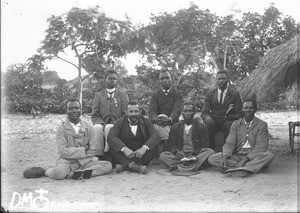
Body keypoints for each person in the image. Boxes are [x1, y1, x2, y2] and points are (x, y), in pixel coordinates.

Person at [23, 99, 112, 180]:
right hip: (67, 162)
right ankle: (47, 171)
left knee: (107, 165)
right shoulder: (61, 129)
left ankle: (75, 174)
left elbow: (93, 150)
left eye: (77, 108)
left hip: (85, 162)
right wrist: (84, 149)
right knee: (58, 174)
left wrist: (80, 159)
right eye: (71, 108)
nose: (74, 111)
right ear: (67, 110)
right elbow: (63, 151)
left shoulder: (89, 127)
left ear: (81, 110)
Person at [208, 99, 275, 177]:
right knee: (212, 158)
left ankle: (237, 168)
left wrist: (245, 159)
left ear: (255, 110)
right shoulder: (236, 124)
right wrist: (225, 156)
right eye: (245, 108)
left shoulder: (262, 125)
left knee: (269, 155)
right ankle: (246, 168)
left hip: (253, 157)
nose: (248, 110)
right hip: (237, 156)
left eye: (251, 108)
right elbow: (230, 143)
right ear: (242, 110)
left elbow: (261, 147)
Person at [160, 101, 215, 173]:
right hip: (180, 156)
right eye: (185, 111)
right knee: (163, 156)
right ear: (182, 113)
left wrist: (194, 155)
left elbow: (205, 145)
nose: (187, 113)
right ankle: (192, 166)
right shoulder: (175, 127)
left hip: (196, 156)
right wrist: (177, 152)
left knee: (210, 151)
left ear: (194, 113)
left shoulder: (201, 127)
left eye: (190, 111)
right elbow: (171, 145)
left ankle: (181, 166)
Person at [107, 100, 160, 174]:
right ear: (126, 112)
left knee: (154, 144)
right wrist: (124, 149)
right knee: (113, 145)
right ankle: (136, 167)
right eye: (131, 112)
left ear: (140, 111)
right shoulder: (120, 121)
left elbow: (156, 135)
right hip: (125, 153)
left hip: (141, 153)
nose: (133, 114)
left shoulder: (146, 121)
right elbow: (111, 136)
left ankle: (126, 165)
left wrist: (144, 148)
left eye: (136, 111)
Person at [91, 69, 129, 160]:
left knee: (109, 127)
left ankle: (107, 152)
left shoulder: (123, 95)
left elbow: (125, 114)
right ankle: (99, 154)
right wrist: (101, 123)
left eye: (114, 79)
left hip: (118, 123)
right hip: (102, 122)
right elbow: (95, 114)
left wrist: (117, 123)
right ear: (105, 80)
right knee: (96, 128)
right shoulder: (99, 95)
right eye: (110, 78)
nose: (112, 80)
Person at [201, 70, 243, 151]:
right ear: (216, 80)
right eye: (219, 79)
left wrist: (231, 118)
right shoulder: (210, 94)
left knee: (228, 126)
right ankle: (209, 152)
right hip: (214, 120)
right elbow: (204, 112)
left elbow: (239, 113)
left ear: (228, 79)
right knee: (207, 126)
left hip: (229, 120)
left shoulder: (235, 94)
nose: (221, 81)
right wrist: (207, 118)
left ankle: (227, 152)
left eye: (224, 78)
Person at [148, 70, 183, 153]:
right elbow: (152, 110)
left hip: (173, 123)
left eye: (167, 78)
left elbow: (177, 110)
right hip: (158, 122)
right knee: (161, 127)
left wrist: (169, 119)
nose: (164, 80)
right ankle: (167, 152)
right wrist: (155, 119)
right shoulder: (155, 95)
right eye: (162, 78)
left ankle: (164, 152)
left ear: (171, 79)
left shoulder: (177, 94)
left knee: (165, 128)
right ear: (159, 81)